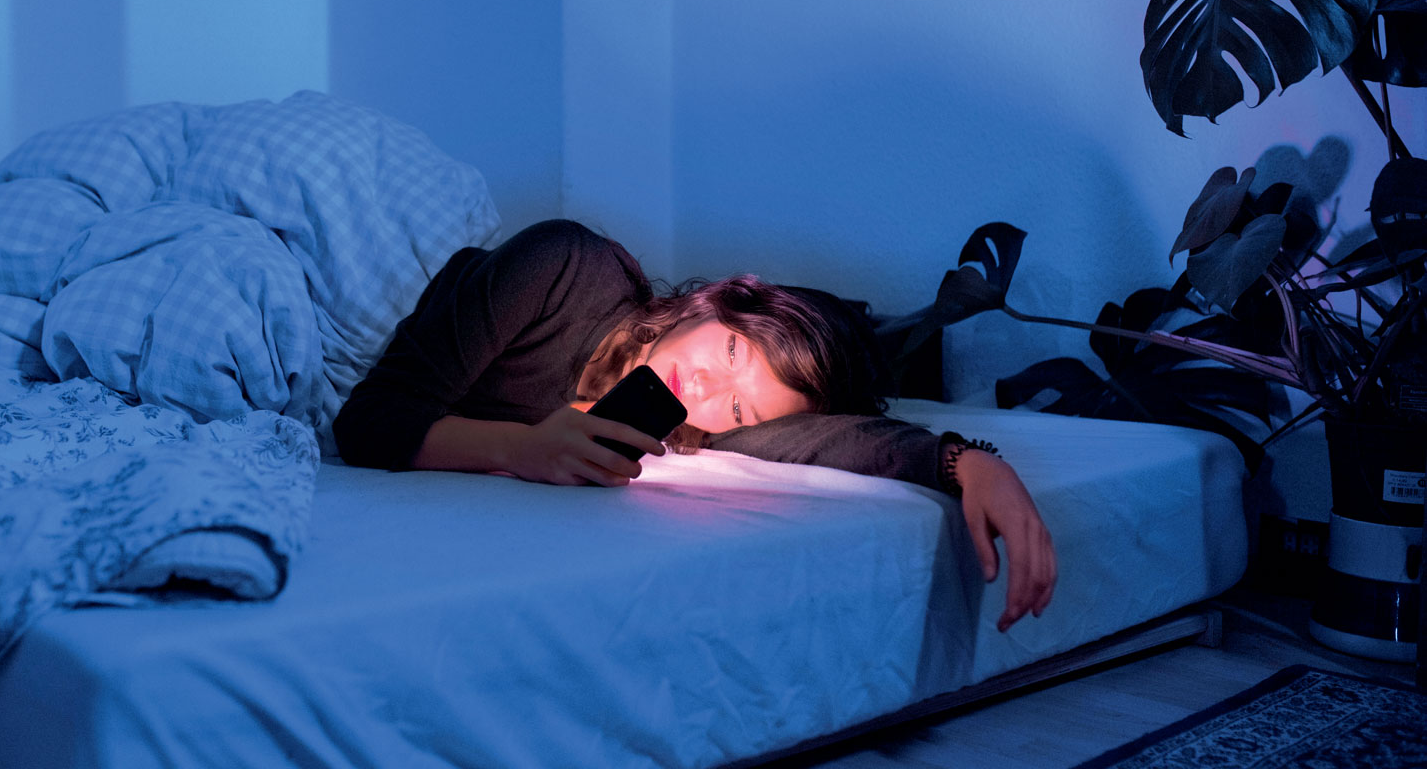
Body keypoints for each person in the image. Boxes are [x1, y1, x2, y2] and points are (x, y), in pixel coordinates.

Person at [334, 219, 1055, 631]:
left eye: (739, 408)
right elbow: (369, 421)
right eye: (734, 351)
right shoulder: (561, 267)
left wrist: (968, 462)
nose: (709, 385)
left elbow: (830, 442)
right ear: (715, 304)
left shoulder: (692, 425)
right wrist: (523, 450)